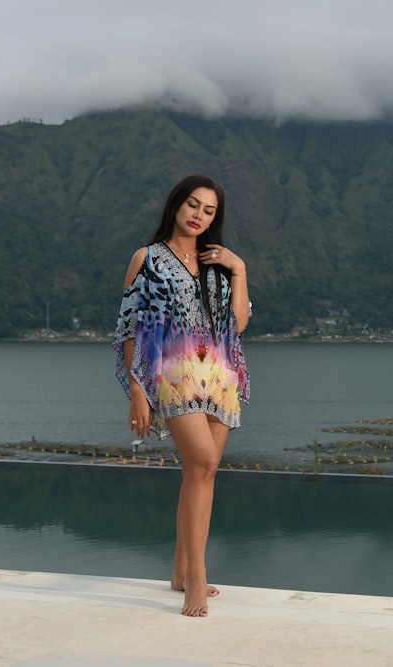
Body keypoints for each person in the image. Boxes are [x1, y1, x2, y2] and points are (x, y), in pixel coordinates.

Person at [113, 174, 250, 617]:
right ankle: (196, 576)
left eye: (209, 211)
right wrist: (137, 389)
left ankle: (179, 570)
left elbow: (240, 323)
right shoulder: (147, 258)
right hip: (174, 372)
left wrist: (239, 268)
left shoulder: (218, 263)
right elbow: (130, 327)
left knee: (202, 473)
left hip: (220, 374)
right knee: (204, 462)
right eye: (193, 205)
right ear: (176, 204)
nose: (199, 216)